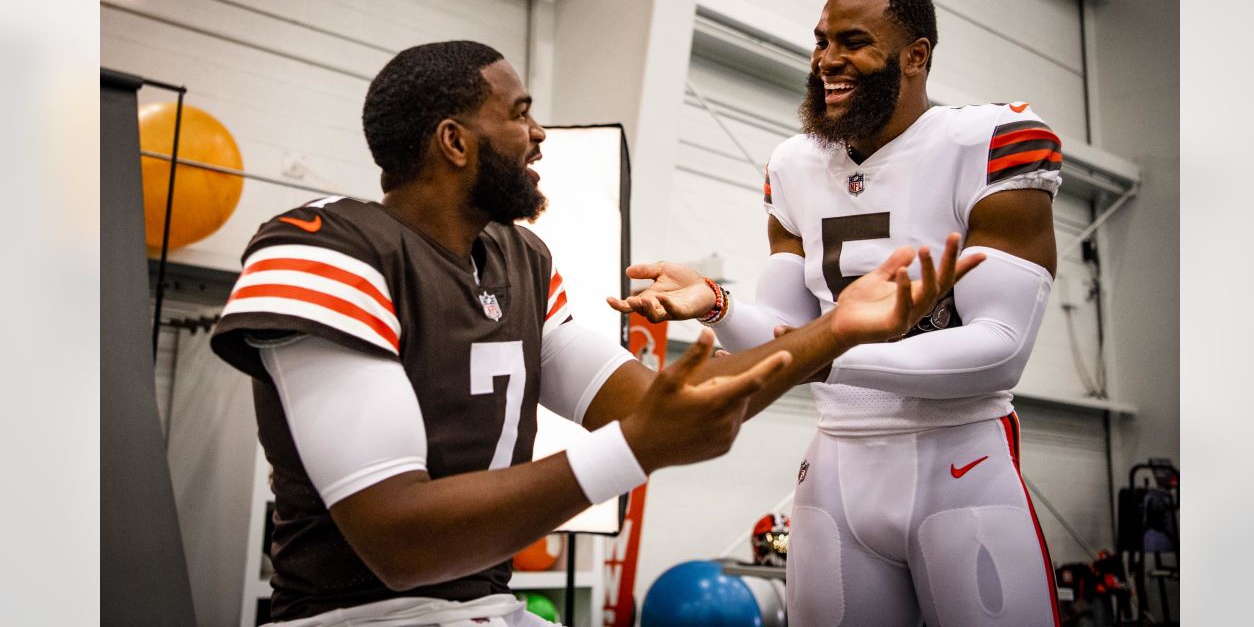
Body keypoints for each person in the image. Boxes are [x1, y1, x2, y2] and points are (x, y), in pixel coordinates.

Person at [209, 40, 978, 626]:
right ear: (453, 141)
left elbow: (664, 406)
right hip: (358, 617)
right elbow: (400, 541)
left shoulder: (519, 260)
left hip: (483, 608)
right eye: (518, 114)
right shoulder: (322, 247)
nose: (538, 134)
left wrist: (840, 328)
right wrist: (639, 447)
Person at [610, 0, 1064, 626]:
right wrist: (718, 306)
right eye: (822, 41)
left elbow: (1001, 350)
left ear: (916, 55)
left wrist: (820, 355)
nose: (827, 59)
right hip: (836, 470)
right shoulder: (793, 166)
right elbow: (785, 332)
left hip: (959, 459)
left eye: (854, 42)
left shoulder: (989, 141)